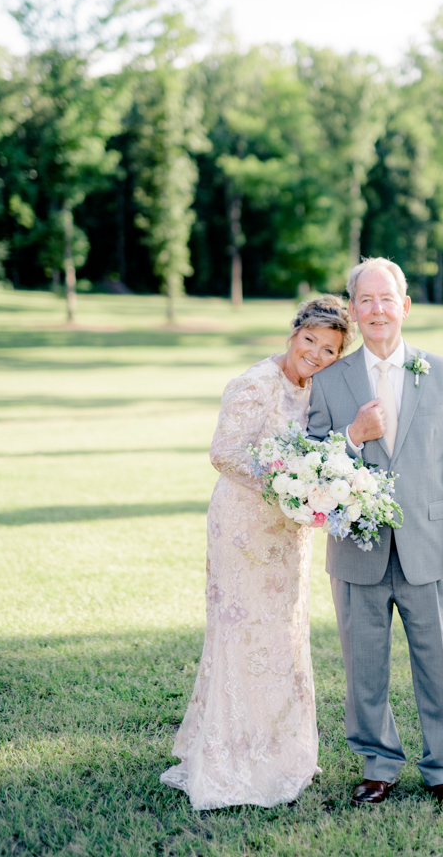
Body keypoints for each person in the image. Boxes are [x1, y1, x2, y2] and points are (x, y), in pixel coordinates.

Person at [161, 295, 356, 810]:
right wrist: (288, 485)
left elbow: (316, 450)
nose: (315, 353)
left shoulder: (315, 387)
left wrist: (308, 490)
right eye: (310, 340)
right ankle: (233, 757)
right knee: (244, 629)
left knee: (284, 631)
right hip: (244, 526)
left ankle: (281, 751)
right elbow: (223, 452)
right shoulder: (255, 383)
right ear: (293, 334)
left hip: (290, 530)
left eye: (329, 349)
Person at [307, 258, 443, 814]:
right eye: (365, 300)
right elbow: (311, 463)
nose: (377, 309)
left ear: (404, 306)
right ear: (354, 312)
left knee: (441, 665)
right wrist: (352, 436)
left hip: (429, 546)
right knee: (364, 665)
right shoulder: (330, 379)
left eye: (387, 299)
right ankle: (377, 765)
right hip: (357, 549)